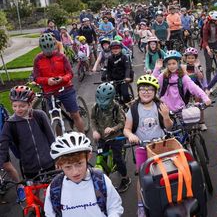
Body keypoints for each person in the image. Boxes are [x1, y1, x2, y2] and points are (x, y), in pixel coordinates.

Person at [123, 75, 173, 217]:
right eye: (143, 89)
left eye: (150, 89)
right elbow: (126, 129)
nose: (146, 92)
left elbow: (169, 128)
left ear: (155, 92)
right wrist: (131, 135)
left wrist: (166, 116)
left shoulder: (160, 106)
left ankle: (168, 197)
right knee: (142, 177)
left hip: (160, 145)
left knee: (165, 172)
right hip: (142, 148)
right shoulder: (133, 109)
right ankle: (140, 205)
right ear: (138, 91)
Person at [44, 132, 123, 217]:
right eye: (68, 167)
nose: (75, 172)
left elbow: (114, 206)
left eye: (79, 164)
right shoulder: (55, 187)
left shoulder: (100, 180)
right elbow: (50, 214)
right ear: (59, 165)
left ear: (88, 157)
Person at [0, 86, 55, 201]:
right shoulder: (10, 124)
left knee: (53, 192)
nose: (17, 109)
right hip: (29, 167)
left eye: (22, 106)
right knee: (33, 195)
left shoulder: (40, 116)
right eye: (14, 106)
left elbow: (52, 139)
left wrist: (58, 158)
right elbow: (3, 146)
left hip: (49, 163)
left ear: (30, 104)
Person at [33, 34, 86, 133]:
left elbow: (70, 73)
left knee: (75, 114)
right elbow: (36, 77)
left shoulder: (61, 56)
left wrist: (62, 79)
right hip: (50, 92)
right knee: (56, 117)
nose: (49, 53)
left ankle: (83, 138)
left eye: (51, 49)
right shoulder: (38, 59)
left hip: (66, 89)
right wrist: (47, 81)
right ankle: (60, 140)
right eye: (46, 51)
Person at [91, 83, 131, 193]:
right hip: (102, 138)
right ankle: (105, 177)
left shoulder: (116, 107)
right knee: (101, 156)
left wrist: (113, 129)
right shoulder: (95, 107)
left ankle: (125, 178)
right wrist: (94, 131)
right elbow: (93, 120)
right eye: (100, 99)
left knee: (118, 158)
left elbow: (122, 123)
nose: (102, 102)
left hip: (115, 137)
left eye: (105, 99)